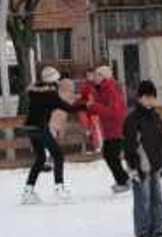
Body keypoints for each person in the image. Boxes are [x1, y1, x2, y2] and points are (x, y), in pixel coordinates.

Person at [21, 67, 85, 204]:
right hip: (40, 127)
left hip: (30, 127)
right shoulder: (50, 95)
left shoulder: (34, 92)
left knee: (40, 158)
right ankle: (59, 189)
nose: (58, 82)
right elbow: (68, 108)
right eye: (57, 80)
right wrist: (86, 106)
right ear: (53, 80)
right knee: (58, 155)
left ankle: (28, 191)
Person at [123, 81, 162, 237]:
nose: (151, 101)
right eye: (147, 97)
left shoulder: (155, 117)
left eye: (153, 97)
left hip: (156, 165)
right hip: (141, 167)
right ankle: (143, 231)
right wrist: (133, 167)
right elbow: (130, 145)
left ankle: (156, 228)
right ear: (140, 98)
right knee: (142, 200)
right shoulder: (133, 119)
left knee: (157, 200)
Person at [88, 65, 130, 193]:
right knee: (110, 155)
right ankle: (124, 179)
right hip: (110, 129)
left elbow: (114, 112)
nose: (94, 77)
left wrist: (94, 106)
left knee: (111, 155)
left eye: (97, 75)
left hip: (117, 128)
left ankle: (124, 181)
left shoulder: (111, 89)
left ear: (103, 76)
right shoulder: (102, 88)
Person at [76, 69, 103, 153]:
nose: (89, 77)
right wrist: (84, 102)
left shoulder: (99, 85)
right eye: (87, 75)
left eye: (91, 75)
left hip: (95, 110)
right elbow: (80, 98)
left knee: (95, 123)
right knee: (81, 114)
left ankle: (97, 145)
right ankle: (88, 130)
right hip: (85, 108)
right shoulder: (84, 86)